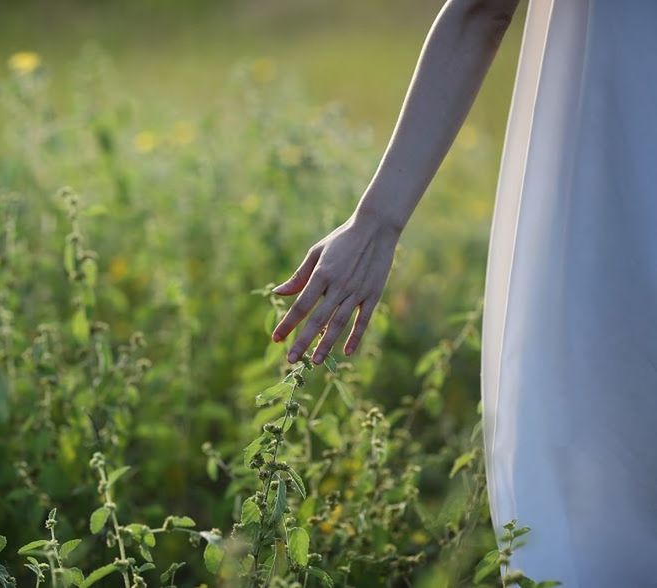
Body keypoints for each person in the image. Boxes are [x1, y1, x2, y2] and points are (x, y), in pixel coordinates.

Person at [269, 0, 657, 585]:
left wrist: (378, 220)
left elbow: (481, 11)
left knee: (590, 512)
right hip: (616, 214)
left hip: (608, 213)